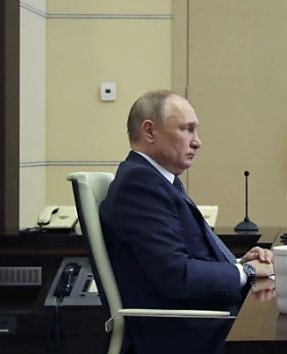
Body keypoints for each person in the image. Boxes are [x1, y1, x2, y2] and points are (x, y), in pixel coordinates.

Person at [100, 90, 276, 354]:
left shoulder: (159, 181)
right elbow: (175, 275)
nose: (198, 142)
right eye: (187, 130)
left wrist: (239, 263)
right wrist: (247, 273)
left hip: (202, 322)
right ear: (149, 131)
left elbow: (181, 258)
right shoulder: (139, 185)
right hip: (188, 335)